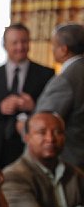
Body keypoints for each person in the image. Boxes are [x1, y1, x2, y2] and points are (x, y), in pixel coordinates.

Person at [0, 24, 54, 168]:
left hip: (29, 146)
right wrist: (0, 108)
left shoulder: (46, 74)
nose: (20, 47)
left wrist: (33, 107)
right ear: (5, 45)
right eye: (15, 43)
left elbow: (53, 112)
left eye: (24, 42)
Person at [2, 111, 84, 207]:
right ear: (26, 137)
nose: (50, 139)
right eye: (42, 132)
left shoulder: (75, 173)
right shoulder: (13, 176)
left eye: (57, 132)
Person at [36, 23, 84, 168]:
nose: (52, 50)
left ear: (64, 50)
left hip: (69, 159)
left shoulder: (66, 78)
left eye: (54, 45)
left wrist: (25, 125)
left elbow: (45, 120)